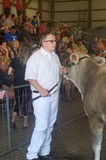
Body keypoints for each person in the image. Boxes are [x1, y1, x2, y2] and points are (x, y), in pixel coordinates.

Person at [25, 31, 67, 160]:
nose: (55, 43)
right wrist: (41, 89)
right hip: (41, 96)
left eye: (55, 40)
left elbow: (58, 72)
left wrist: (62, 71)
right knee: (42, 125)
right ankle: (31, 155)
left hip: (54, 94)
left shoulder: (54, 56)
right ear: (44, 43)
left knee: (50, 124)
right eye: (52, 41)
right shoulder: (35, 57)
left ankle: (45, 151)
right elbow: (30, 77)